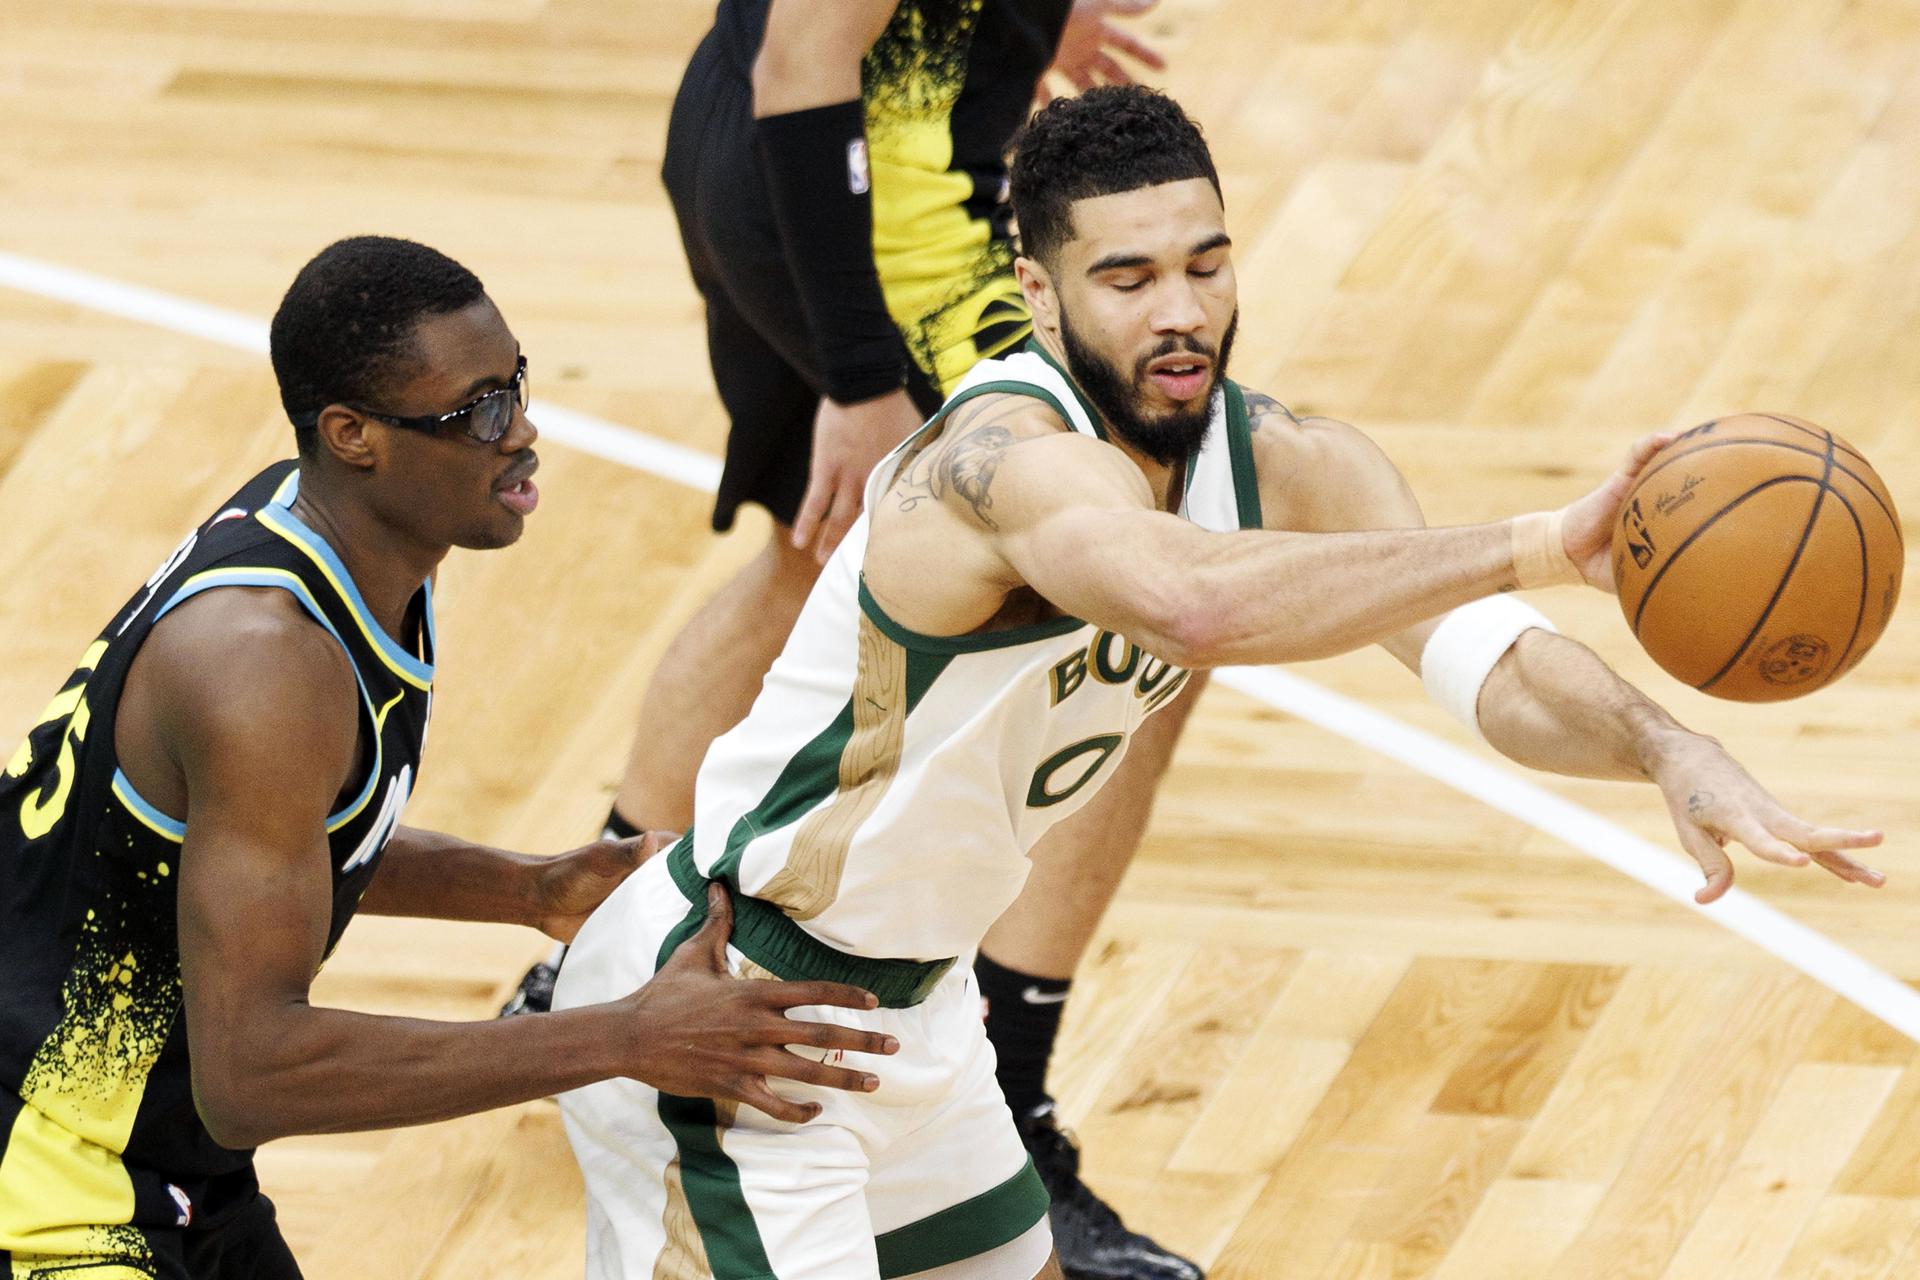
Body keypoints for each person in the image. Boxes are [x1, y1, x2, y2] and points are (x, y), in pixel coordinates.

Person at [551, 86, 1885, 1280]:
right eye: (1126, 278)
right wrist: (1543, 541)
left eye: (1205, 263)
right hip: (739, 1011)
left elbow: (1493, 667)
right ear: (1037, 291)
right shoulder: (1000, 461)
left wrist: (1662, 746)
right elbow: (1189, 595)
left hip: (912, 1015)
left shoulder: (1284, 457)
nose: (1180, 310)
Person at [0, 236, 900, 1280]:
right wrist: (622, 1036)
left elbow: (286, 837)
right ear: (353, 435)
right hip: (51, 1184)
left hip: (159, 1157)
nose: (521, 430)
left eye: (514, 384)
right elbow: (253, 1069)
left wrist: (532, 887)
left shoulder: (346, 546)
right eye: (476, 411)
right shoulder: (265, 661)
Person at [502, 3, 1201, 1273]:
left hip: (803, 168)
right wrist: (857, 375)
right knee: (1153, 584)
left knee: (820, 558)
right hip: (869, 219)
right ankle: (1017, 1089)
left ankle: (592, 955)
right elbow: (805, 52)